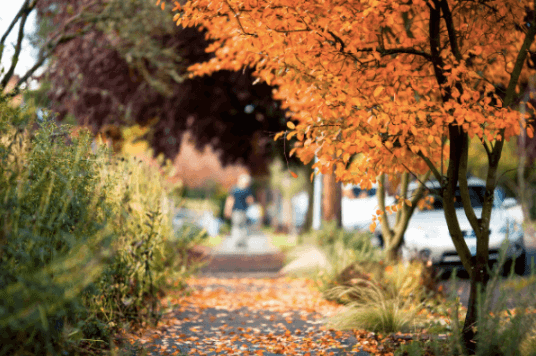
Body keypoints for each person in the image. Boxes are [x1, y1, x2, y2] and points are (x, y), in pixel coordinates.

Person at [224, 174, 254, 248]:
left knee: (236, 226)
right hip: (243, 211)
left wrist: (227, 210)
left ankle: (237, 242)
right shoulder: (247, 190)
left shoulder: (234, 189)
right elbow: (250, 200)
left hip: (235, 211)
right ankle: (243, 242)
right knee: (243, 226)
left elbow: (230, 200)